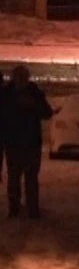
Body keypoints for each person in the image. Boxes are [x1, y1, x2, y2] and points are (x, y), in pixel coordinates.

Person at [1, 65, 53, 218]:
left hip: (30, 143)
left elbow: (47, 112)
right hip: (14, 143)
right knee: (14, 178)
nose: (22, 80)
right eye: (19, 77)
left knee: (30, 178)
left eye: (24, 77)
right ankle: (14, 208)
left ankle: (32, 209)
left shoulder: (34, 93)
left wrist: (33, 105)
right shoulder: (6, 94)